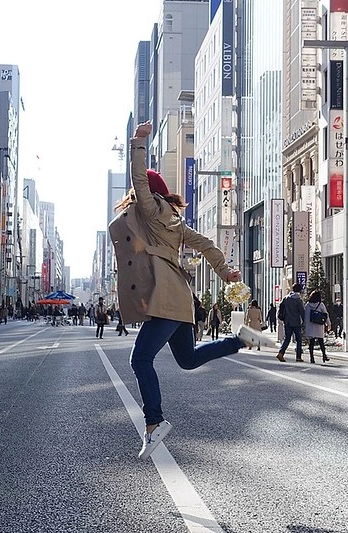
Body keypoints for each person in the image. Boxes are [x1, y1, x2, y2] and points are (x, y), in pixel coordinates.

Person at [109, 120, 270, 461]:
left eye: (139, 192)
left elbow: (139, 180)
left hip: (167, 299)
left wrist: (138, 141)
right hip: (179, 299)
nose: (134, 196)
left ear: (148, 193)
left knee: (140, 359)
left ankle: (154, 423)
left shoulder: (151, 210)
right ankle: (241, 340)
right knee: (188, 359)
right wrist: (224, 271)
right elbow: (207, 244)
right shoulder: (174, 221)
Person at [276, 283, 306, 362]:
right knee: (298, 340)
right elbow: (302, 312)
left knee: (287, 338)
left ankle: (281, 353)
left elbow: (281, 308)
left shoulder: (286, 298)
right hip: (296, 322)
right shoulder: (298, 300)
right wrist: (304, 322)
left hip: (287, 322)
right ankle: (298, 357)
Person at [304, 290, 331, 363]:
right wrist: (328, 324)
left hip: (311, 325)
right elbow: (326, 314)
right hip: (319, 325)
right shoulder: (321, 304)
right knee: (321, 342)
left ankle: (312, 358)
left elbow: (306, 316)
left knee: (311, 343)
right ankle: (324, 355)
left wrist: (306, 325)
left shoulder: (307, 305)